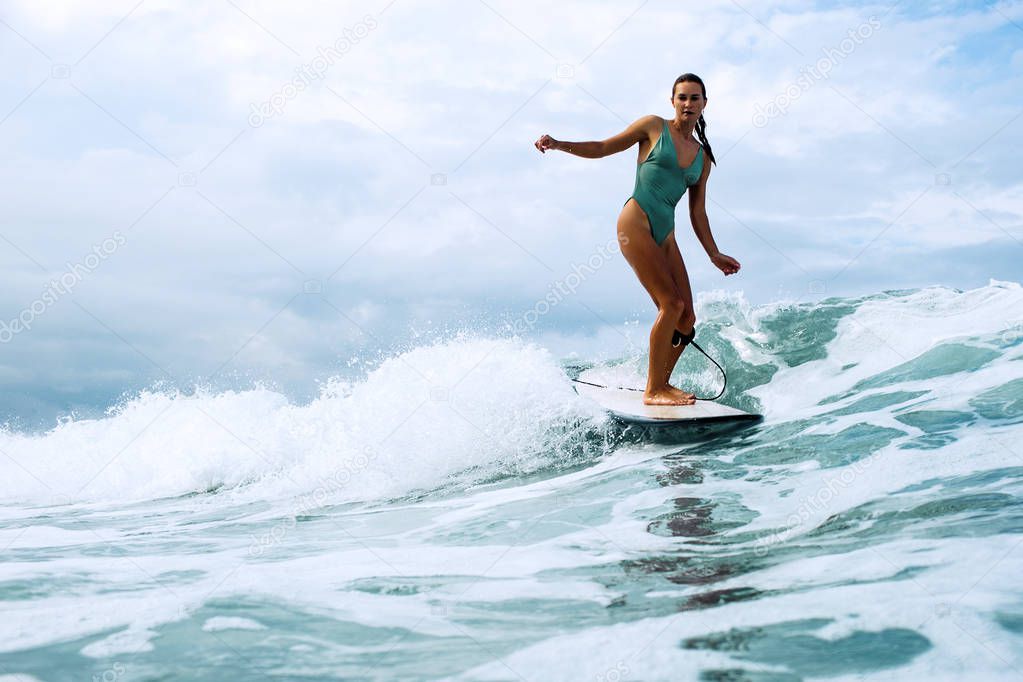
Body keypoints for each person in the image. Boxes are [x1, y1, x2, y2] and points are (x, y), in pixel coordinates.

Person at [534, 73, 741, 406]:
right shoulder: (653, 127)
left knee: (687, 318)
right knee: (670, 305)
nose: (688, 104)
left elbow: (698, 213)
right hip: (636, 222)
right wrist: (559, 144)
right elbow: (602, 148)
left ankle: (661, 384)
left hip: (666, 235)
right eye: (682, 98)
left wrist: (713, 253)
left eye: (695, 98)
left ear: (705, 103)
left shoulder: (703, 160)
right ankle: (654, 390)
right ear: (672, 101)